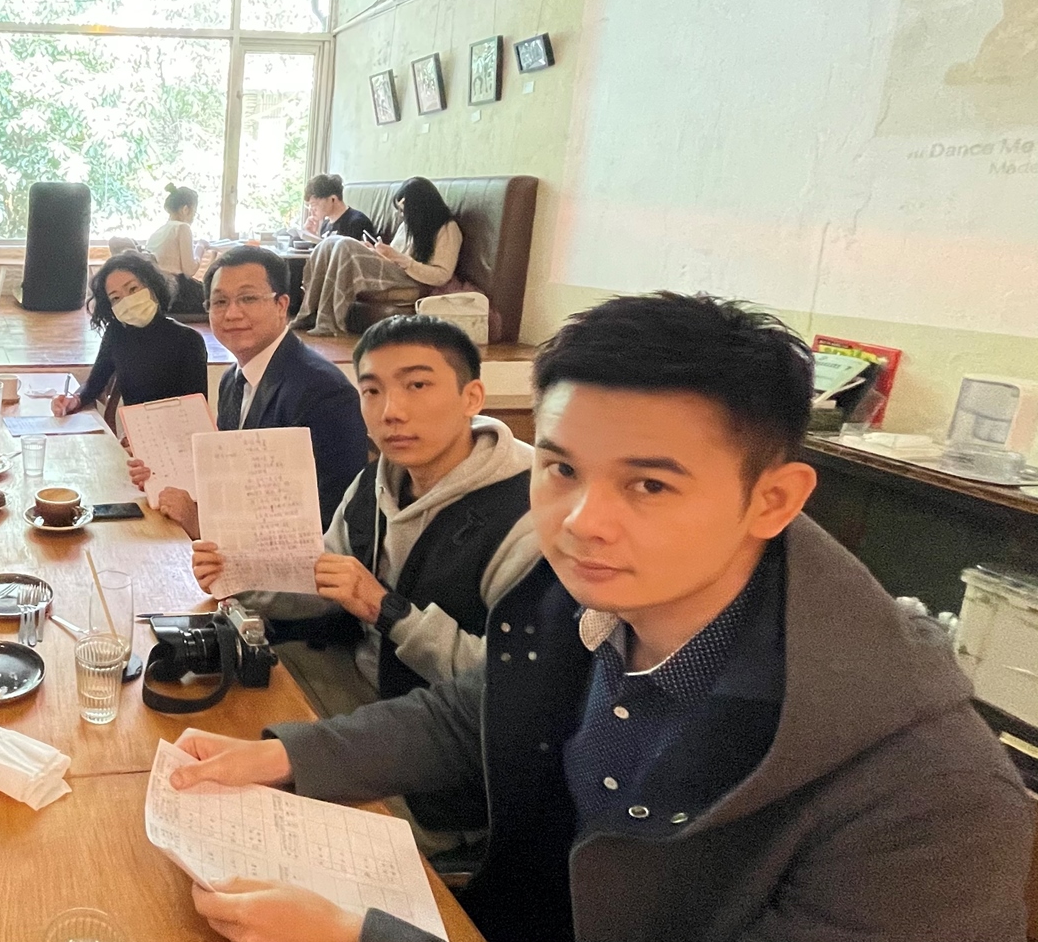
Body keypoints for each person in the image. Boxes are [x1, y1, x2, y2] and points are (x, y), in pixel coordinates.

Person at [170, 293, 1032, 942]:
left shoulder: (929, 799)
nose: (583, 522)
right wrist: (284, 754)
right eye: (562, 469)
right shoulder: (579, 601)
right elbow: (474, 710)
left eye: (648, 483)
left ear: (773, 498)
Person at [196, 315, 538, 707]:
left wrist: (386, 609)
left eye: (417, 385)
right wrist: (238, 576)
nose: (391, 411)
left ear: (472, 397)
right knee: (200, 689)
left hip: (434, 717)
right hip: (356, 673)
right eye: (372, 390)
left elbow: (509, 685)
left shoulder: (526, 515)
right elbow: (323, 583)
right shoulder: (375, 480)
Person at [131, 246, 366, 536]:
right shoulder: (232, 380)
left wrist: (203, 525)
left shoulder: (324, 392)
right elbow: (233, 479)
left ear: (281, 305)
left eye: (248, 298)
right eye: (219, 302)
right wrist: (164, 475)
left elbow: (334, 518)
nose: (232, 313)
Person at [293, 177, 462, 338]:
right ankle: (309, 313)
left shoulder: (447, 229)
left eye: (404, 210)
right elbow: (393, 256)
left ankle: (328, 323)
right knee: (331, 242)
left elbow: (442, 276)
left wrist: (400, 259)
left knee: (344, 244)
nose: (401, 215)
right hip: (396, 270)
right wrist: (375, 251)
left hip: (414, 280)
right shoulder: (407, 226)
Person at [50, 252, 208, 418]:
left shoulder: (188, 340)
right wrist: (74, 400)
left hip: (176, 429)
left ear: (151, 285)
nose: (127, 301)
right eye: (116, 298)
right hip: (134, 430)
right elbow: (94, 383)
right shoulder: (116, 333)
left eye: (133, 289)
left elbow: (196, 410)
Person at [144, 183, 208, 314]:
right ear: (185, 209)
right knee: (214, 297)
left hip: (154, 287)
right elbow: (189, 270)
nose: (193, 218)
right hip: (174, 290)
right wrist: (201, 247)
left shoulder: (158, 231)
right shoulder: (182, 228)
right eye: (194, 213)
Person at [295, 173, 374, 243]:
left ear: (333, 199)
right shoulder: (325, 224)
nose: (311, 209)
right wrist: (311, 236)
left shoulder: (357, 223)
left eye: (314, 204)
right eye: (309, 205)